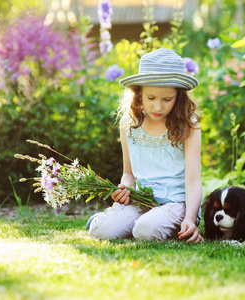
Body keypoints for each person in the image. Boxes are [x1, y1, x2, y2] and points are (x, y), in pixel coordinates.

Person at [87, 48, 204, 243]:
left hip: (177, 204)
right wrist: (124, 189)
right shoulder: (129, 123)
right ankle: (117, 220)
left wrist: (190, 219)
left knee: (145, 231)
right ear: (139, 93)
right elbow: (129, 173)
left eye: (167, 99)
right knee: (100, 231)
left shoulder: (188, 125)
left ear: (179, 96)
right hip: (141, 201)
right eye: (151, 98)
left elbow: (193, 180)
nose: (158, 107)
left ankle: (143, 223)